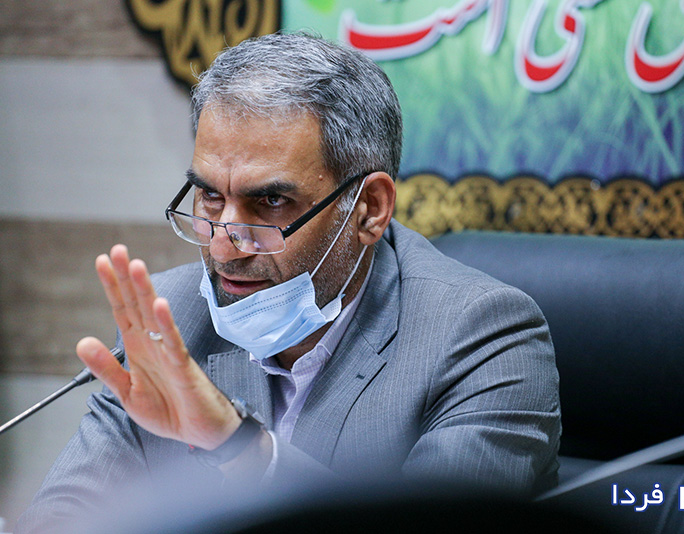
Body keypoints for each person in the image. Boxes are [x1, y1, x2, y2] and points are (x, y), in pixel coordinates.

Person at [16, 32, 560, 532]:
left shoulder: (483, 339)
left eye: (271, 201)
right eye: (210, 197)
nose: (223, 244)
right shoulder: (170, 316)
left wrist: (238, 447)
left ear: (369, 209)